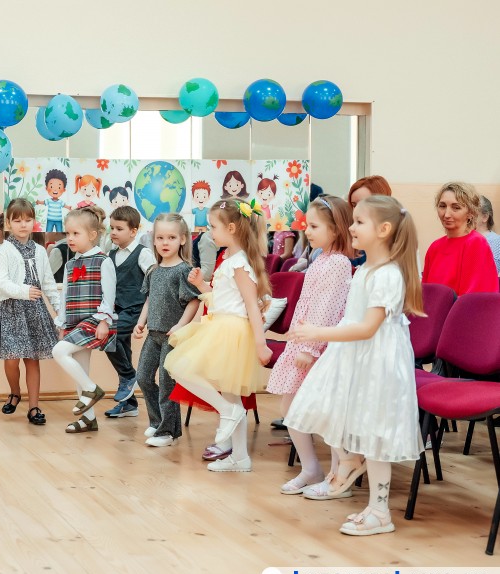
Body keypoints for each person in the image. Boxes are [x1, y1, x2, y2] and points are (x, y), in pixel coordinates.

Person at [285, 195, 424, 535]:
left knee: (375, 435)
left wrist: (317, 333)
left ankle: (379, 511)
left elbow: (368, 327)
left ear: (384, 229)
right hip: (356, 354)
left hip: (378, 360)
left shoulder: (388, 275)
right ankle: (349, 460)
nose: (351, 227)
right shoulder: (364, 270)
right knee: (323, 407)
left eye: (360, 222)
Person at [164, 198, 271, 472]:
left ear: (231, 228)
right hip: (223, 325)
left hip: (231, 330)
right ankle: (240, 457)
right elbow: (224, 298)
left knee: (181, 369)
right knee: (232, 397)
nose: (209, 232)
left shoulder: (240, 263)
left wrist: (261, 344)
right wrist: (202, 285)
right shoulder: (230, 260)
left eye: (213, 227)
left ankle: (227, 412)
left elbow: (250, 305)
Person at [265, 196, 354, 494]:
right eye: (308, 225)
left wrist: (310, 348)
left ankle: (338, 474)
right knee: (290, 406)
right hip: (304, 340)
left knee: (325, 412)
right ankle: (311, 468)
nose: (308, 231)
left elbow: (327, 309)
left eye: (315, 226)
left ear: (336, 229)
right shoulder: (322, 258)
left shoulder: (338, 263)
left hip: (318, 347)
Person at [133, 213, 200, 447]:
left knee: (166, 383)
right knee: (143, 377)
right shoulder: (153, 270)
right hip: (153, 335)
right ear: (154, 239)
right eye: (160, 237)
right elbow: (149, 299)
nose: (165, 242)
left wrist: (180, 325)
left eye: (171, 237)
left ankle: (168, 432)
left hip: (173, 338)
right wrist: (141, 322)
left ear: (182, 239)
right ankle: (157, 421)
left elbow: (194, 301)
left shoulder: (184, 270)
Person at [0, 198, 59, 425]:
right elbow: (2, 282)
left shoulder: (39, 251)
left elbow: (48, 282)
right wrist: (23, 291)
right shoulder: (5, 250)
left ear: (34, 222)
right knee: (11, 359)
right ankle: (15, 392)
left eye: (28, 220)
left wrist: (59, 310)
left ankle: (34, 407)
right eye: (17, 220)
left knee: (32, 359)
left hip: (34, 311)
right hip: (11, 309)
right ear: (8, 223)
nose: (23, 224)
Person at [52, 206, 117, 434]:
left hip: (93, 320)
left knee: (59, 352)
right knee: (79, 370)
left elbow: (109, 294)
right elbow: (64, 295)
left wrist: (104, 321)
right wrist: (62, 324)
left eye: (75, 233)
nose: (70, 238)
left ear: (92, 234)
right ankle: (88, 419)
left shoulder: (103, 261)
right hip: (74, 322)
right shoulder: (70, 265)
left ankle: (91, 389)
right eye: (67, 233)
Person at [103, 206, 154, 418]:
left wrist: (147, 315)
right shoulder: (111, 254)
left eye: (119, 228)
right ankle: (129, 404)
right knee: (121, 348)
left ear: (133, 231)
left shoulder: (143, 254)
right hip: (117, 310)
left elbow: (155, 280)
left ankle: (129, 377)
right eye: (112, 228)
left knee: (108, 334)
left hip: (135, 310)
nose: (113, 232)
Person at [422, 182, 498, 295]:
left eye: (456, 208)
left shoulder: (476, 243)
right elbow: (426, 293)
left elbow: (473, 298)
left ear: (471, 213)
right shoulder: (435, 247)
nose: (446, 214)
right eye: (442, 206)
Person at [347, 176, 392, 268]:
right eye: (354, 205)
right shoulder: (353, 236)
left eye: (363, 203)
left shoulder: (398, 242)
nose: (357, 209)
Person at [476, 196, 500, 274]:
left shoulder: (497, 242)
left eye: (473, 211)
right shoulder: (462, 239)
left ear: (485, 217)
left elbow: (492, 273)